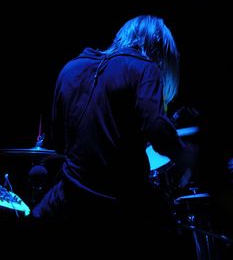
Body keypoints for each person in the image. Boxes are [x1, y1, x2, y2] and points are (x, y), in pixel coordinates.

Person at [30, 15, 199, 253]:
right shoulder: (145, 67)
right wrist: (188, 156)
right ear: (159, 51)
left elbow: (59, 144)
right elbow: (158, 131)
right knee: (179, 242)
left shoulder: (70, 68)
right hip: (118, 209)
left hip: (67, 203)